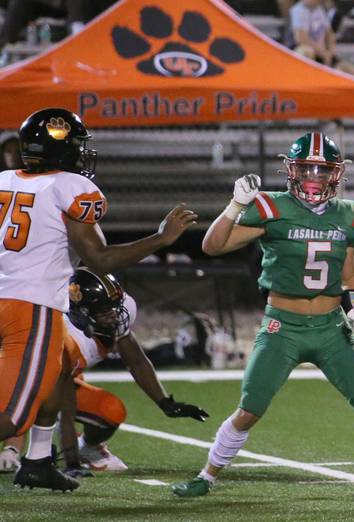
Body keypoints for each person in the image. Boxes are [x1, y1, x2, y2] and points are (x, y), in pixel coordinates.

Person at [171, 132, 354, 497]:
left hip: (331, 328)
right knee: (250, 407)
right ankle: (205, 477)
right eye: (307, 169)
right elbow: (212, 246)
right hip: (281, 327)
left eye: (322, 170)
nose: (314, 177)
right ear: (292, 170)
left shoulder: (352, 215)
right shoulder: (272, 207)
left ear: (337, 174)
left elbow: (348, 273)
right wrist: (234, 206)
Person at [0, 107, 197, 491]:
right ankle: (32, 454)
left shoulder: (6, 180)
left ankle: (38, 461)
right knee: (12, 416)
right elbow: (100, 259)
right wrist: (161, 239)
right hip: (30, 304)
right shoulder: (68, 188)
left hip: (7, 294)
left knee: (55, 367)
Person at [56, 267, 209, 474]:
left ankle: (88, 449)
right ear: (83, 313)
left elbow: (136, 361)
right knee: (24, 416)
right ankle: (25, 454)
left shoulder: (117, 313)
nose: (115, 315)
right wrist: (71, 463)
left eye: (115, 306)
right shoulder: (68, 338)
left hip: (61, 379)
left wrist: (165, 402)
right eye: (105, 311)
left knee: (111, 409)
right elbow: (61, 407)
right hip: (25, 382)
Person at [288, 0, 354, 75]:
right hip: (304, 51)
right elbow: (301, 38)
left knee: (349, 69)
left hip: (322, 52)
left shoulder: (320, 10)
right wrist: (323, 53)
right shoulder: (299, 10)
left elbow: (330, 34)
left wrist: (331, 52)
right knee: (306, 52)